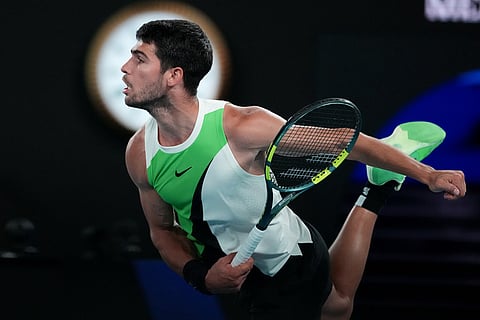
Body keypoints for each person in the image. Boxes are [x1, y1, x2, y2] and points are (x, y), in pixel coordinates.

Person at [121, 19, 466, 320]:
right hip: (229, 264)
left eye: (139, 59)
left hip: (287, 261)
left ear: (173, 76)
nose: (125, 67)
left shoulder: (242, 126)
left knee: (333, 305)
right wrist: (201, 275)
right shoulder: (140, 153)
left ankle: (380, 185)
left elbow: (343, 143)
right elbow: (163, 231)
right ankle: (378, 189)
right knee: (336, 307)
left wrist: (428, 175)